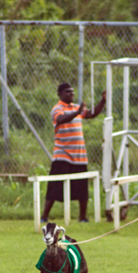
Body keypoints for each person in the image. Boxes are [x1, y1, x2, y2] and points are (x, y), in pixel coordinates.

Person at [40, 83, 106, 223]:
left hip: (79, 156)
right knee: (54, 187)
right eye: (68, 92)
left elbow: (91, 114)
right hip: (62, 155)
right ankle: (44, 216)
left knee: (82, 189)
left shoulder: (77, 107)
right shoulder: (57, 109)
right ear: (60, 94)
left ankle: (82, 217)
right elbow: (62, 119)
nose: (71, 94)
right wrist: (77, 112)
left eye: (73, 92)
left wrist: (103, 101)